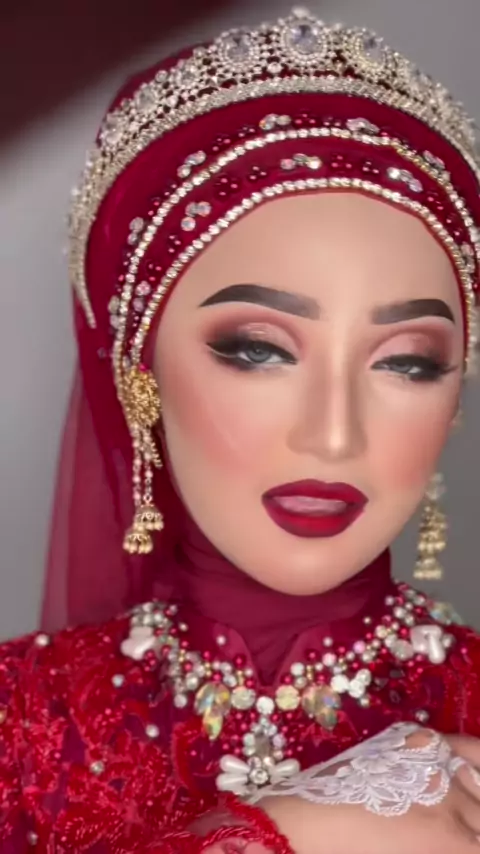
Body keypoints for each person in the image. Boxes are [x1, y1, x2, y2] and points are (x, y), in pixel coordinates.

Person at [1, 7, 480, 853]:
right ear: (139, 372)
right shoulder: (23, 723)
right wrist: (291, 833)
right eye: (257, 349)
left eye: (408, 362)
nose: (334, 435)